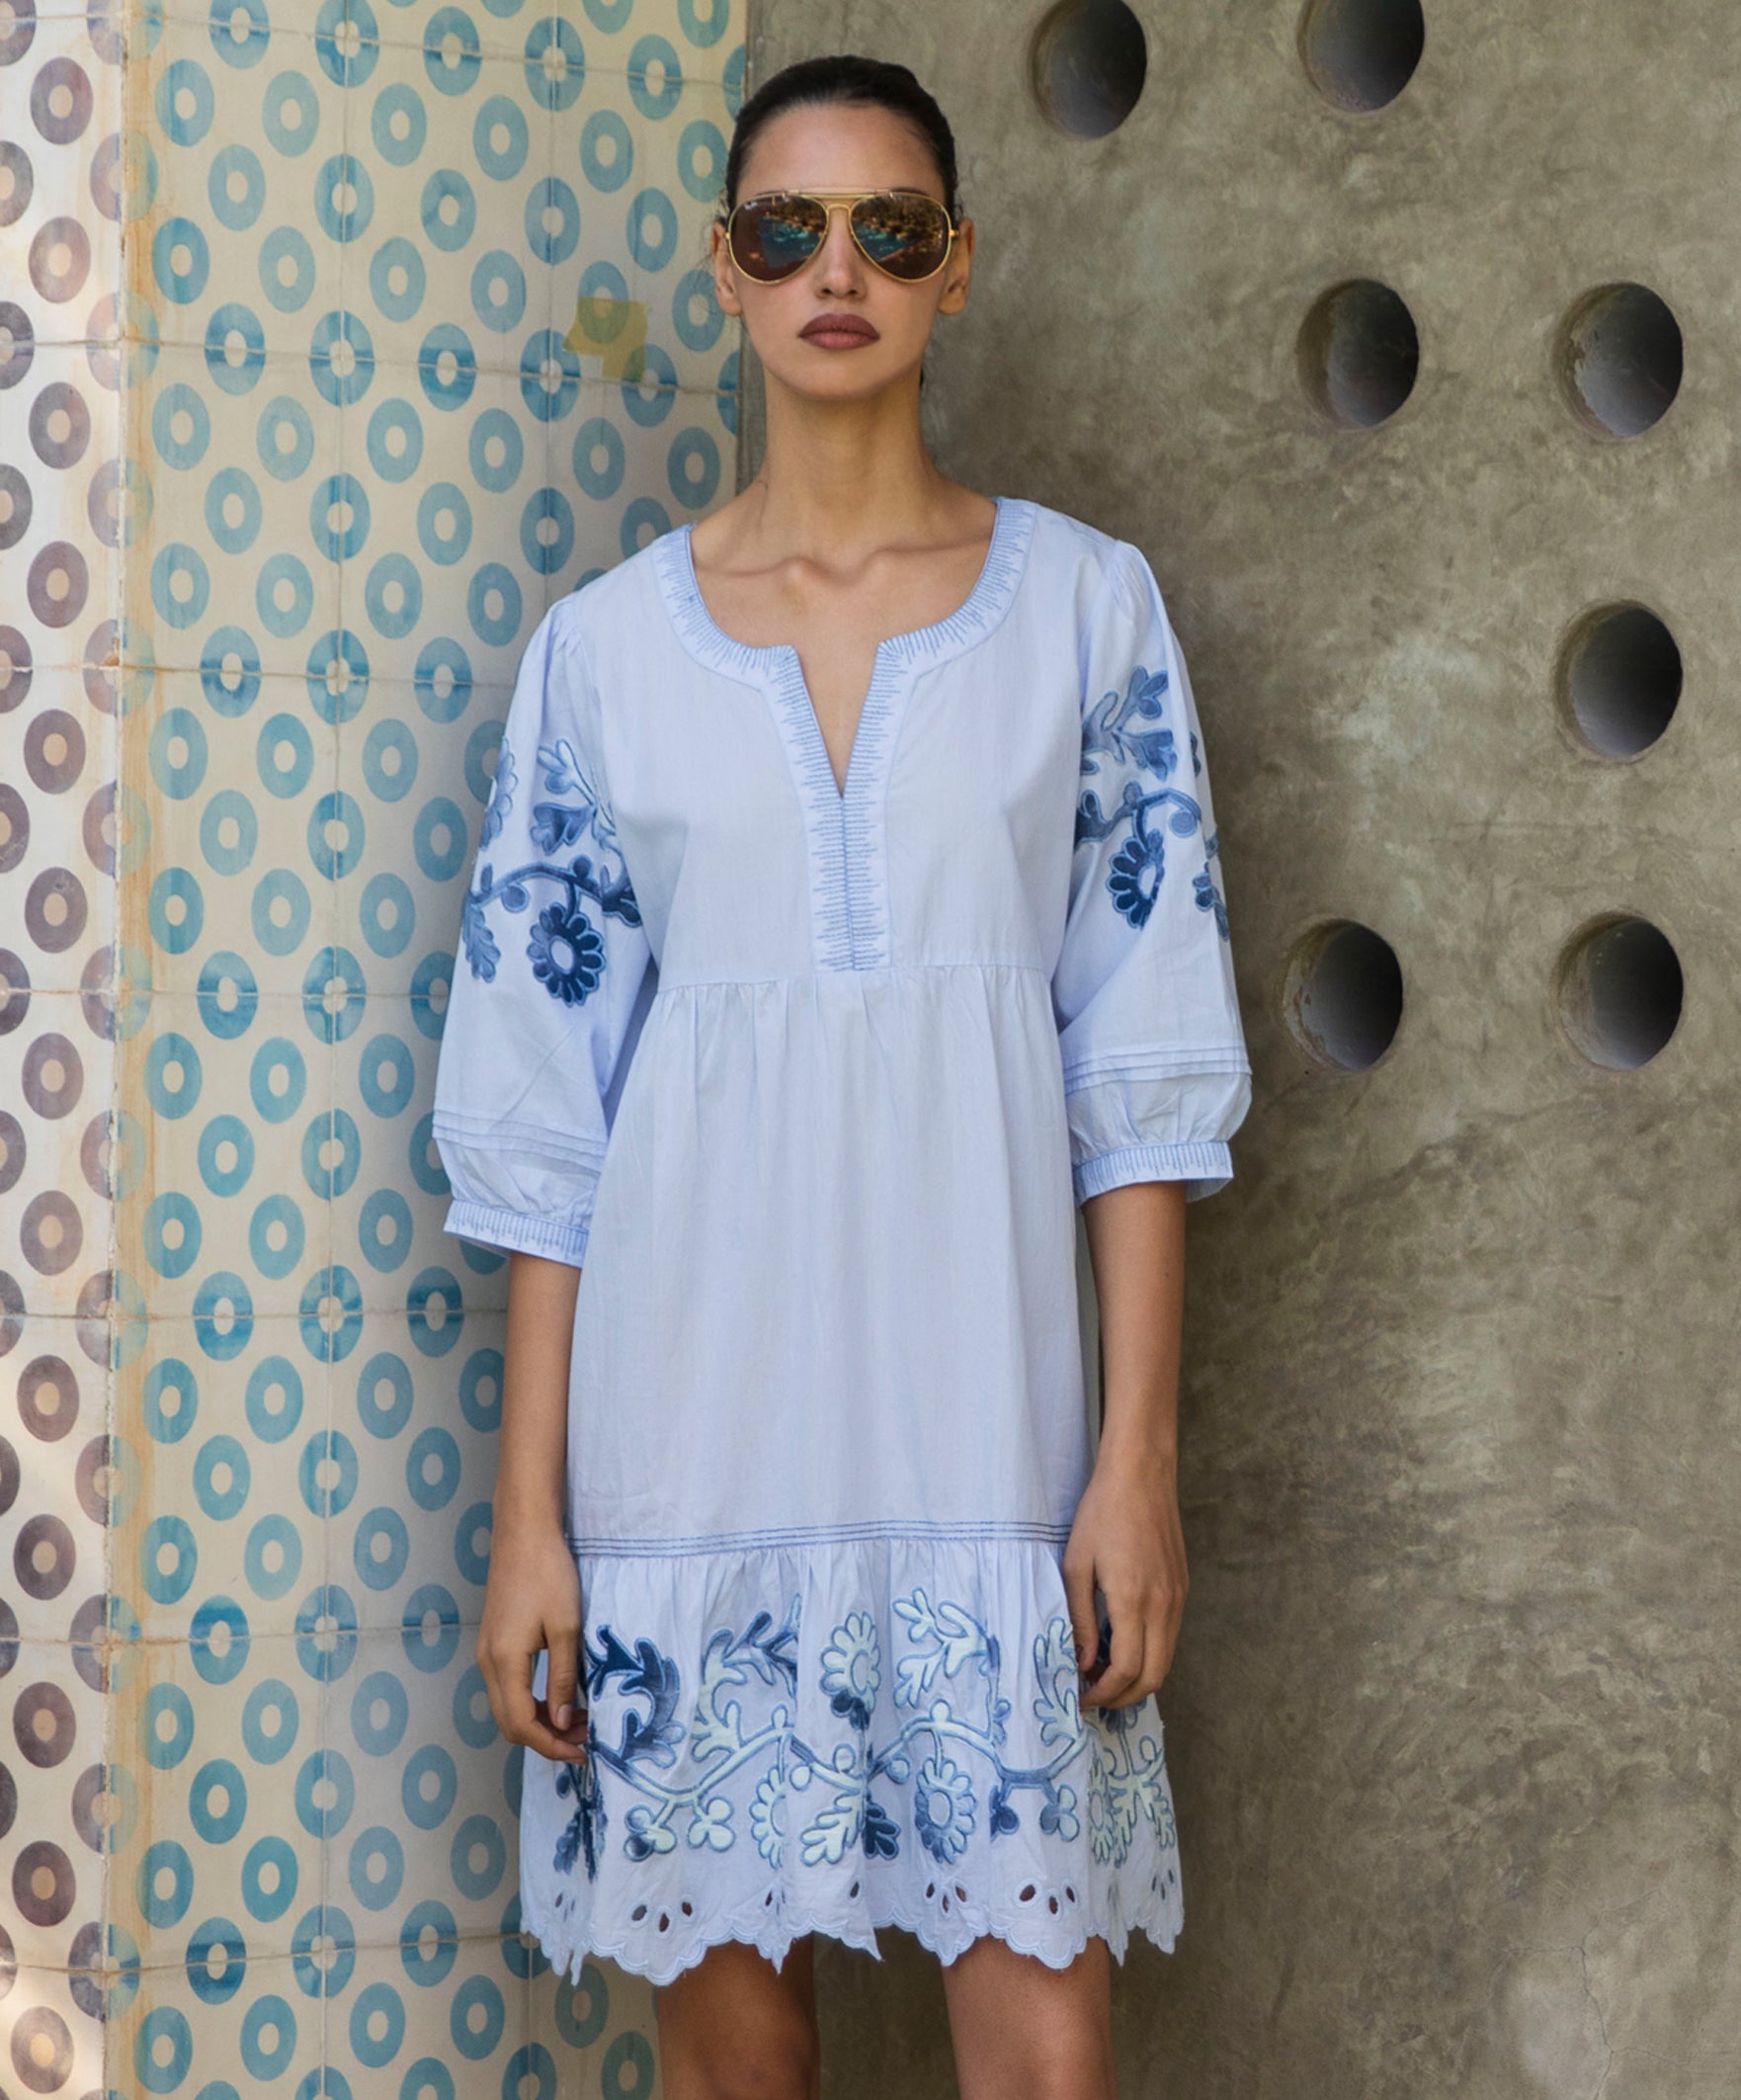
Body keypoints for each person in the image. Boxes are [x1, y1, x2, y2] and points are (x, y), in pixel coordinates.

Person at [432, 49, 1252, 2100]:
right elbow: (543, 1124)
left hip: (992, 1444)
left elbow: (1139, 1066)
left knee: (1040, 2043)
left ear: (953, 268)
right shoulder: (598, 658)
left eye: (887, 230)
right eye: (784, 230)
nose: (835, 270)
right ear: (724, 269)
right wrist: (527, 1519)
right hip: (680, 1468)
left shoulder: (1085, 613)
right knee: (731, 2064)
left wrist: (1129, 1464)